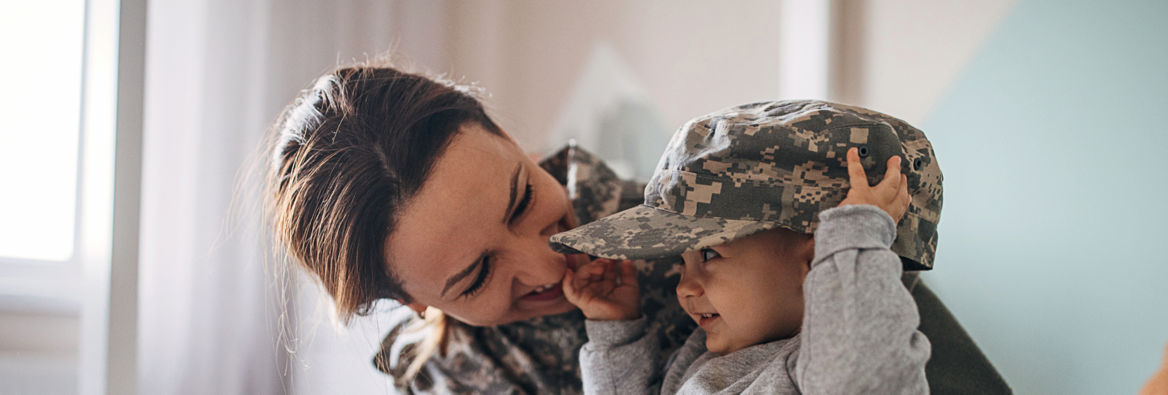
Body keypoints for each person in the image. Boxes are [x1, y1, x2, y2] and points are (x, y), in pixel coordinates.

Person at [265, 65, 1010, 394]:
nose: (548, 261)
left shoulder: (724, 221)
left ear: (514, 140)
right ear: (418, 302)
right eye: (476, 276)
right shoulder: (441, 381)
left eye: (523, 198)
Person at [553, 100, 930, 394]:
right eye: (682, 262)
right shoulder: (703, 358)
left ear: (816, 261)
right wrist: (617, 331)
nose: (683, 286)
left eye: (709, 254)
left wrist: (855, 239)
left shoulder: (825, 367)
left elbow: (858, 377)